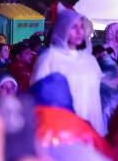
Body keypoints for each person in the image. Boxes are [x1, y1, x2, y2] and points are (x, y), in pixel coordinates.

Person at [31, 7, 107, 135]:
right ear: (63, 28)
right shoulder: (49, 58)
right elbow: (37, 95)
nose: (79, 31)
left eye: (81, 27)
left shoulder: (89, 59)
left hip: (93, 129)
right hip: (64, 130)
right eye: (74, 27)